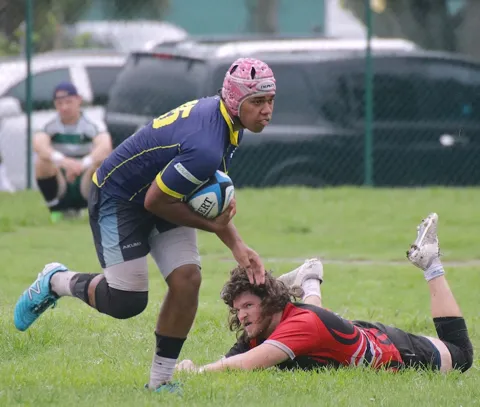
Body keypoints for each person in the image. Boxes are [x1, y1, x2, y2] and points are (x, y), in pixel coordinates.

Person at [14, 58, 276, 392]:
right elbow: (157, 201)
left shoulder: (224, 121)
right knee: (126, 301)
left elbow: (184, 194)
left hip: (158, 193)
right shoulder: (208, 144)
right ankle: (56, 281)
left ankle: (160, 382)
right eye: (257, 102)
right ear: (235, 102)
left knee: (187, 279)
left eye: (270, 101)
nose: (267, 110)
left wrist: (239, 247)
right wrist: (216, 229)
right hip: (117, 197)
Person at [176, 213, 474, 374]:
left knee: (461, 355)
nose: (241, 316)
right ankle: (310, 279)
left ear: (269, 302)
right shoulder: (264, 326)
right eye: (238, 309)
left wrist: (198, 372)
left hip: (405, 353)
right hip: (360, 332)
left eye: (249, 305)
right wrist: (204, 366)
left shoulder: (298, 326)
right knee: (316, 321)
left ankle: (430, 263)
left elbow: (247, 363)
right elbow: (231, 360)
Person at [33, 82, 112, 222]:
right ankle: (55, 208)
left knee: (103, 163)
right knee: (42, 161)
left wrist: (82, 164)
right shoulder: (49, 125)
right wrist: (64, 162)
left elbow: (105, 146)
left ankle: (95, 208)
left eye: (68, 102)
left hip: (85, 176)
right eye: (59, 103)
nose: (64, 107)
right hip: (61, 177)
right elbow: (38, 144)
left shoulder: (93, 124)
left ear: (78, 100)